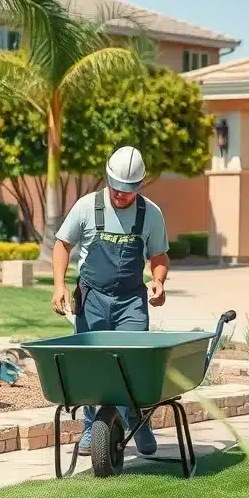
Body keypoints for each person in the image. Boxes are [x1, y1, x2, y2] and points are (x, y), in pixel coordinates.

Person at [50, 145, 170, 457]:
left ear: (139, 186)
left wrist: (158, 281)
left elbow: (158, 255)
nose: (120, 195)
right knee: (93, 364)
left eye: (127, 191)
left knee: (134, 362)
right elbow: (62, 244)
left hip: (131, 301)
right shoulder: (87, 207)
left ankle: (138, 420)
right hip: (92, 299)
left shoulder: (150, 214)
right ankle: (92, 427)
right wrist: (59, 285)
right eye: (116, 188)